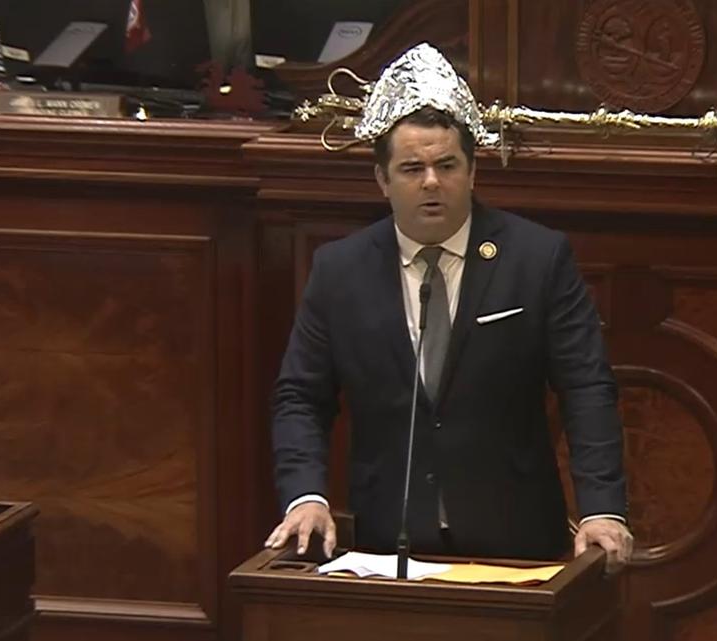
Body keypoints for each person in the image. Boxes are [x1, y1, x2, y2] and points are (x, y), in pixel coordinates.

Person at [266, 44, 632, 565]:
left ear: (473, 171)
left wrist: (602, 509)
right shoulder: (340, 270)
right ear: (382, 181)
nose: (432, 182)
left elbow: (587, 388)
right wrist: (306, 495)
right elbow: (300, 396)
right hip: (389, 542)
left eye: (447, 164)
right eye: (413, 168)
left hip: (516, 542)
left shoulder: (536, 258)